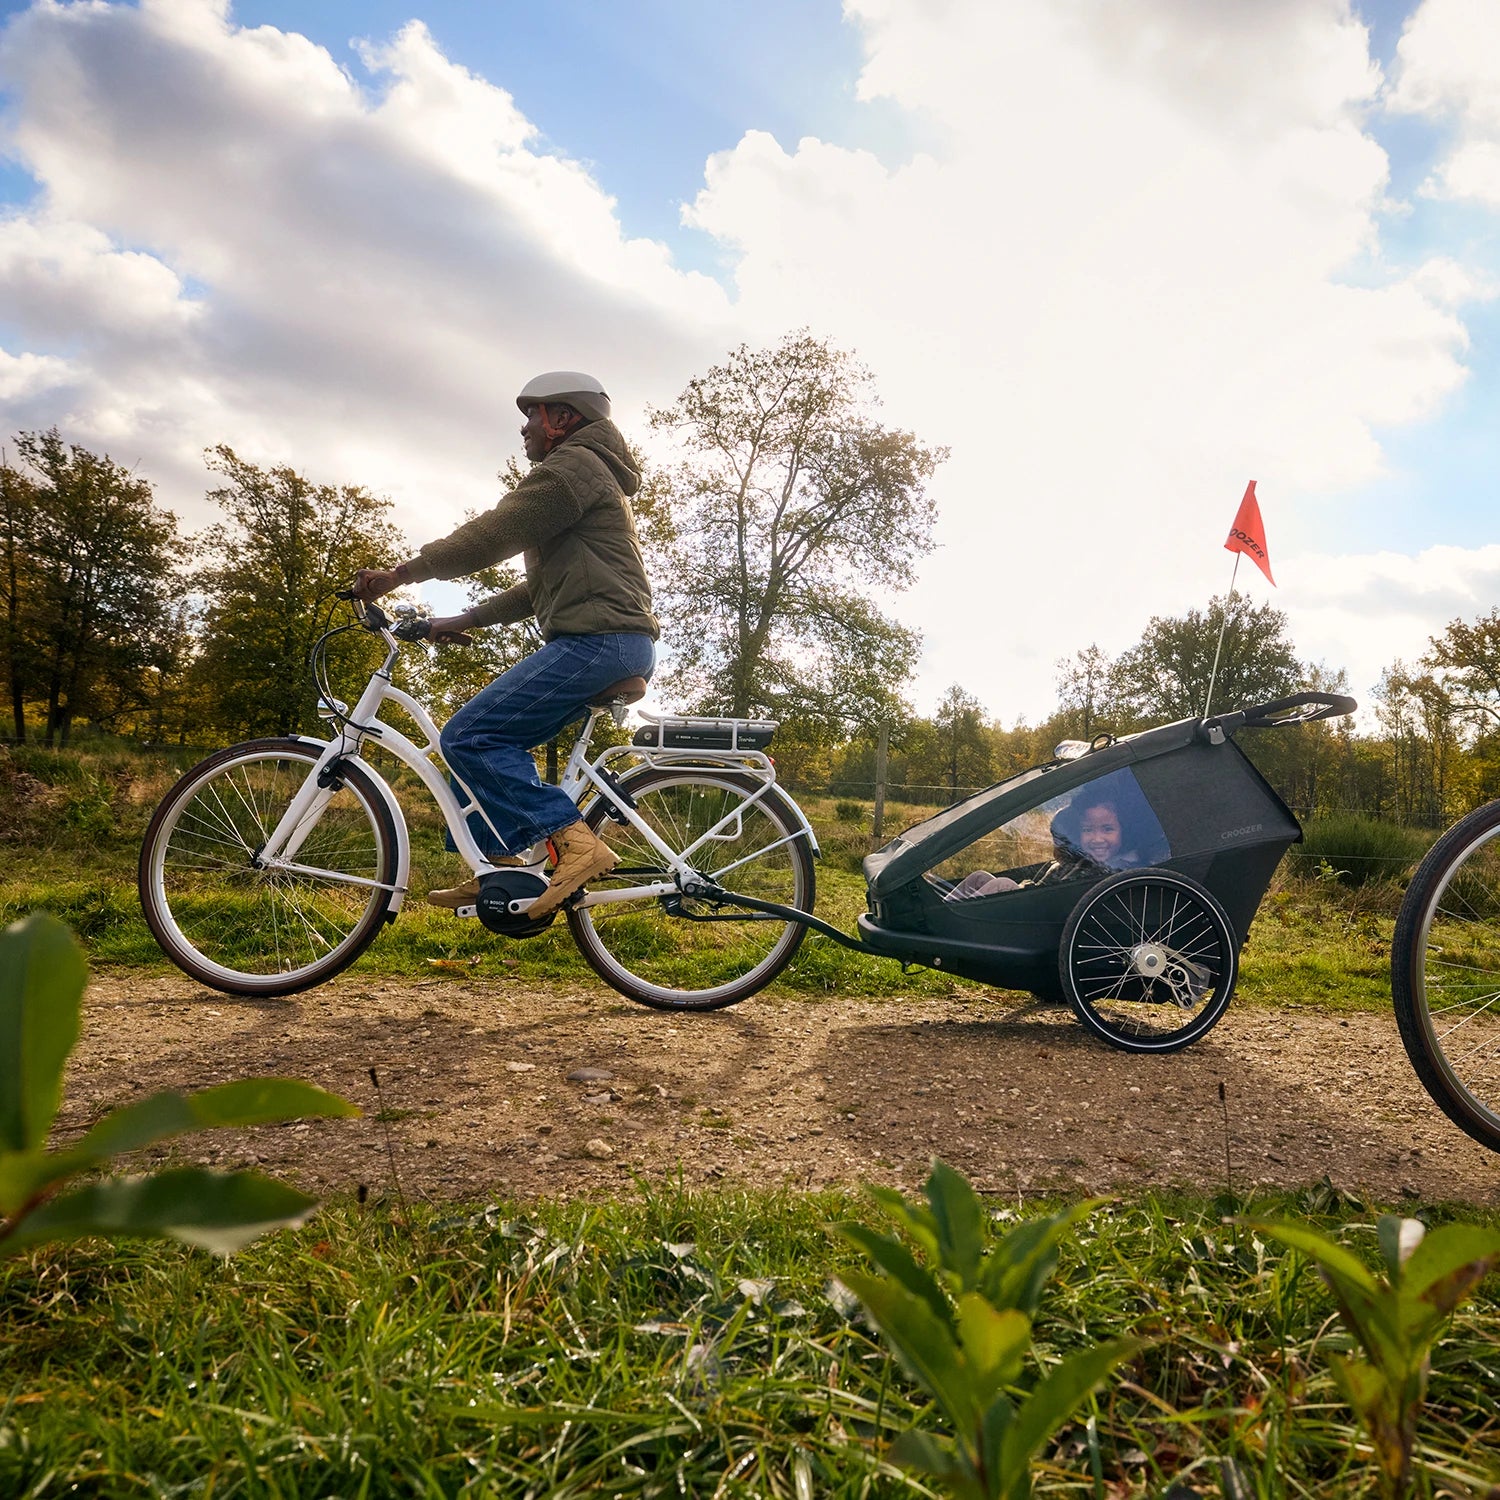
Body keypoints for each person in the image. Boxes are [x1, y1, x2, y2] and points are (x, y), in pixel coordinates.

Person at [353, 371, 658, 920]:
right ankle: (502, 867)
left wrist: (403, 573)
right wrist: (463, 617)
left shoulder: (575, 468)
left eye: (531, 416)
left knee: (469, 735)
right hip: (608, 642)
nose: (523, 431)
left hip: (599, 643)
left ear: (561, 419)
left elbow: (495, 532)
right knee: (485, 743)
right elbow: (536, 590)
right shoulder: (589, 476)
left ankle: (576, 843)